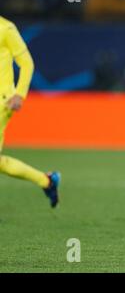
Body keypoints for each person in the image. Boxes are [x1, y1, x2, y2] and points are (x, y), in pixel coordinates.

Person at [0, 16, 60, 208]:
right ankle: (46, 181)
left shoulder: (6, 28)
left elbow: (26, 63)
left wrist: (20, 94)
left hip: (3, 101)